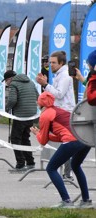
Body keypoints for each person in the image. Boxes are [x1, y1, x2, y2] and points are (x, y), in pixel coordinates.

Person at [30, 92, 92, 208]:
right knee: (76, 165)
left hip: (72, 141)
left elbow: (42, 141)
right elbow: (61, 135)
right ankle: (86, 200)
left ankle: (66, 200)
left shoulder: (45, 115)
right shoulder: (59, 111)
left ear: (41, 103)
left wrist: (37, 133)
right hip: (84, 139)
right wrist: (44, 135)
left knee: (51, 168)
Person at [36, 50, 75, 180]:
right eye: (49, 63)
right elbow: (54, 95)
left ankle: (68, 173)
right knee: (63, 141)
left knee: (66, 142)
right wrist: (46, 85)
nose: (50, 65)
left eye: (53, 63)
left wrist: (45, 85)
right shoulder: (59, 75)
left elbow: (59, 94)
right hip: (59, 112)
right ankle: (65, 172)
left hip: (66, 113)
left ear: (61, 63)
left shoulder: (65, 75)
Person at [3, 70, 39, 172]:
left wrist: (7, 108)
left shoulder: (14, 84)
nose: (6, 83)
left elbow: (12, 100)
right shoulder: (31, 82)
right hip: (31, 114)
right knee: (25, 138)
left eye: (6, 81)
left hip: (20, 115)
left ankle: (20, 164)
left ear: (9, 79)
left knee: (15, 138)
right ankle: (30, 162)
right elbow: (38, 96)